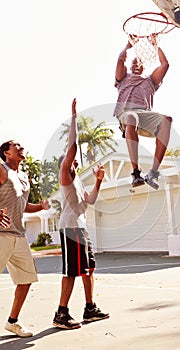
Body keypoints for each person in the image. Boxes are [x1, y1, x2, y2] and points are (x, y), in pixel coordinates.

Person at [53, 98, 109, 330]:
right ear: (65, 164)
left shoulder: (78, 181)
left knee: (88, 270)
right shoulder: (65, 176)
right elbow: (73, 147)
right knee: (72, 272)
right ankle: (61, 314)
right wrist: (74, 117)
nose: (74, 160)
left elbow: (91, 201)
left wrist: (98, 182)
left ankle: (90, 308)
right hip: (71, 229)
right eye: (70, 160)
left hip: (81, 228)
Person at [0, 140, 50, 337]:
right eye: (16, 145)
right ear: (6, 153)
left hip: (19, 235)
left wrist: (41, 206)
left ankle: (12, 322)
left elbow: (23, 204)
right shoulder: (2, 170)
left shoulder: (22, 176)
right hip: (1, 233)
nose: (21, 147)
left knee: (25, 279)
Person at [114, 41, 172, 190]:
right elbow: (120, 61)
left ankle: (153, 172)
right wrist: (127, 46)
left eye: (139, 62)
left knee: (167, 120)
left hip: (145, 115)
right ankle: (136, 172)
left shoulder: (150, 81)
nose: (136, 64)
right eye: (133, 63)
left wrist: (156, 44)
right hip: (127, 114)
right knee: (131, 117)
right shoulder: (123, 79)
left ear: (143, 66)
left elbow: (165, 64)